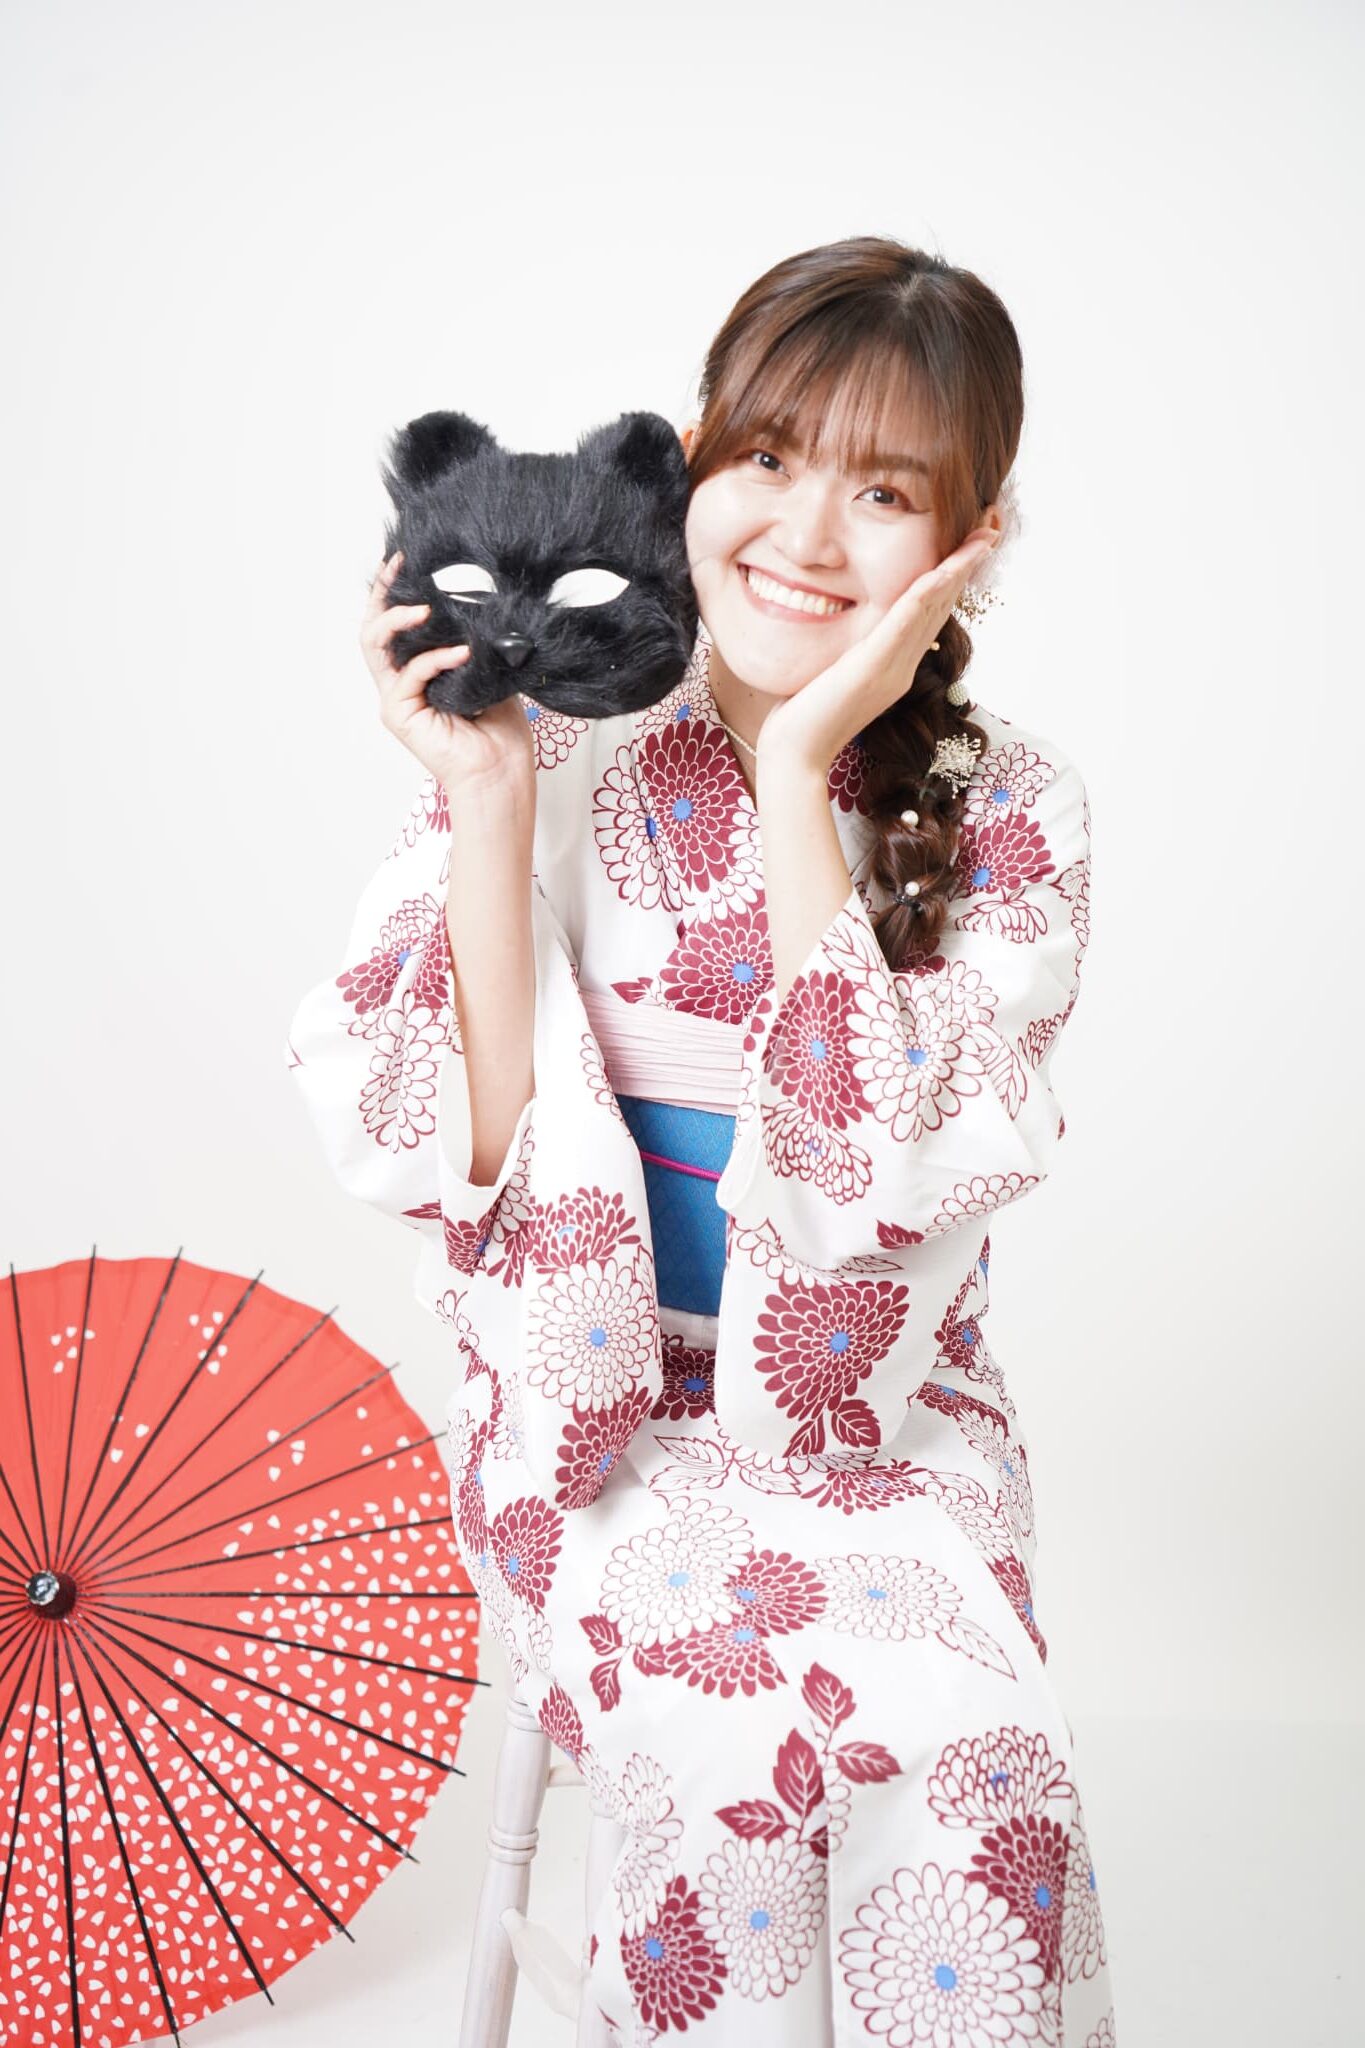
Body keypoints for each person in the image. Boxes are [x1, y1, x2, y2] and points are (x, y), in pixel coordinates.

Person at [286, 235, 1117, 2045]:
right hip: (596, 1419)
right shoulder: (564, 739)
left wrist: (804, 766)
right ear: (692, 464)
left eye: (882, 490)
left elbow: (874, 1181)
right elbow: (468, 1151)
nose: (806, 535)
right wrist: (488, 798)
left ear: (969, 539)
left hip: (883, 1420)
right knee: (721, 1739)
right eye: (768, 457)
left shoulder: (1012, 809)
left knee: (984, 1749)